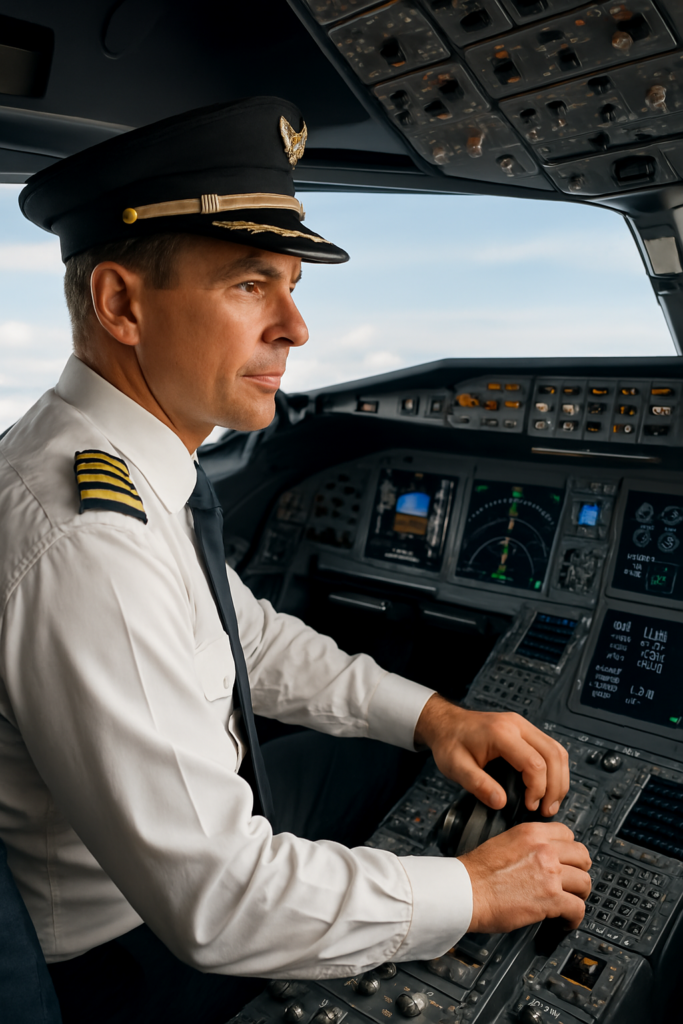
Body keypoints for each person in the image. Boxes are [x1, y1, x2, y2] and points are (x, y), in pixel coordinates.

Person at [0, 97, 591, 1024]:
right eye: (249, 286)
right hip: (126, 948)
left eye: (291, 286)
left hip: (165, 862)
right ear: (121, 304)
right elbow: (218, 901)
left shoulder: (111, 461)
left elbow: (247, 635)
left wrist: (434, 717)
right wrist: (475, 892)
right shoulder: (88, 542)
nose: (295, 328)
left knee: (406, 761)